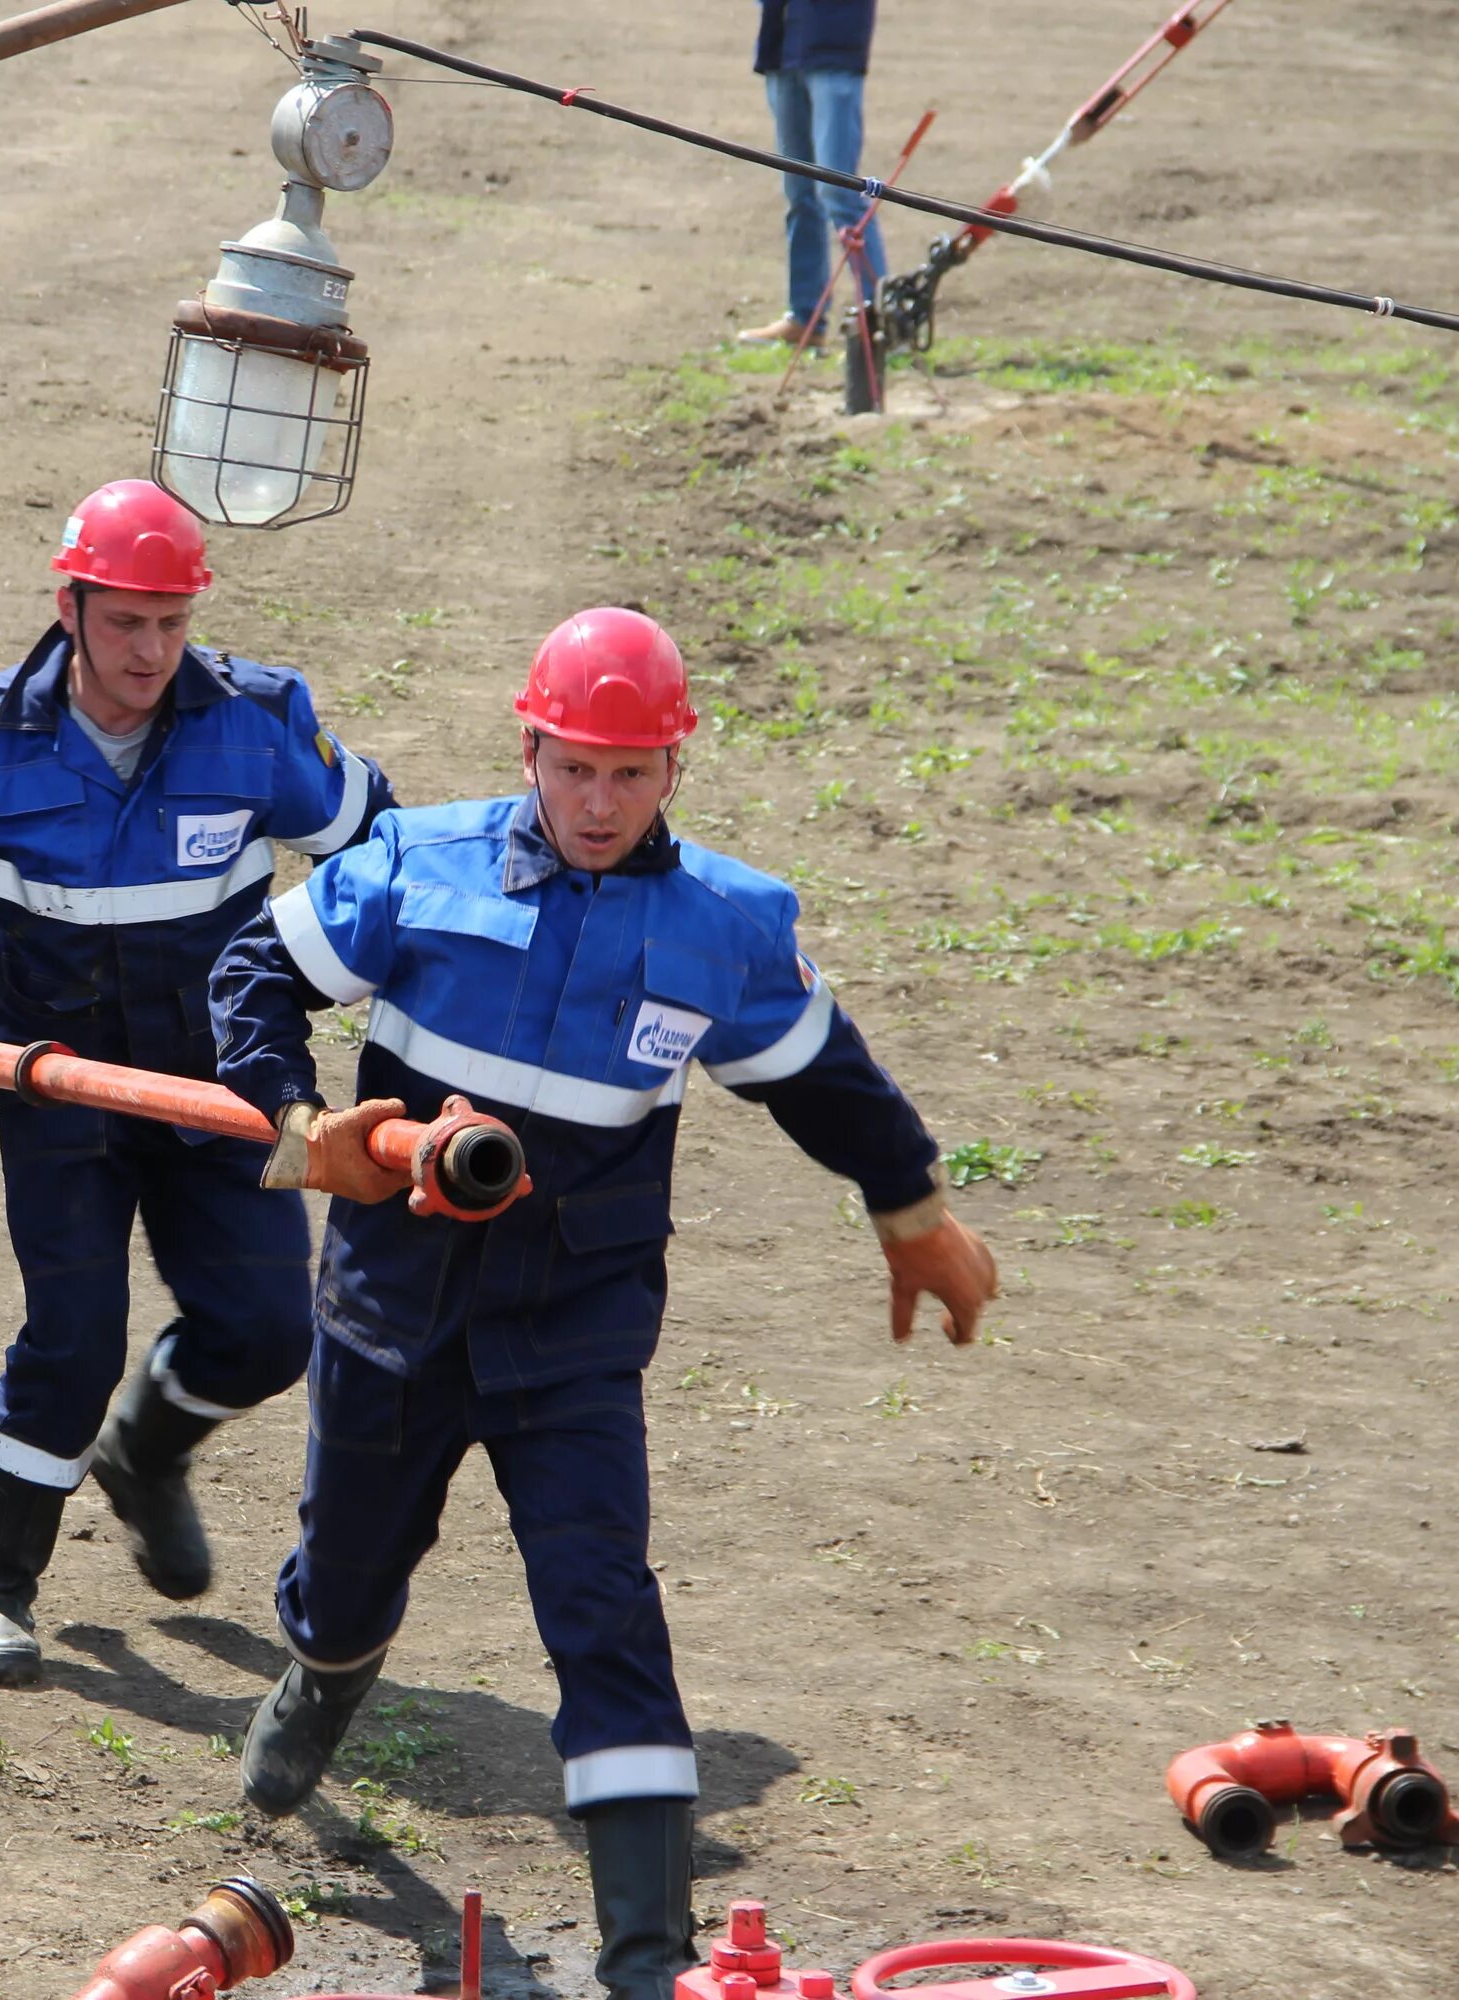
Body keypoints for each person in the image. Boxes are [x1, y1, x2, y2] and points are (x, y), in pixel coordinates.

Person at [207, 607, 998, 1998]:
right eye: (574, 768)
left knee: (604, 1610)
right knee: (344, 1576)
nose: (598, 802)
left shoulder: (723, 931)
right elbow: (255, 973)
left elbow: (826, 1080)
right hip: (393, 1309)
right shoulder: (416, 868)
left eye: (630, 774)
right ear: (530, 747)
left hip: (574, 1331)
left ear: (672, 773)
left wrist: (914, 1214)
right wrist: (296, 1117)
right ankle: (327, 1670)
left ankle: (648, 1956)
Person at [0, 478, 394, 1686]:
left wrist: (374, 997)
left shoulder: (258, 725)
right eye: (127, 621)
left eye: (172, 622)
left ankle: (146, 1446)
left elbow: (378, 853)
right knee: (74, 1336)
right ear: (72, 606)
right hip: (59, 1087)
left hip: (226, 1084)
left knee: (265, 1330)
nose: (150, 651)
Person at [738, 0, 886, 347]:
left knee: (839, 191)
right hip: (782, 46)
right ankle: (805, 318)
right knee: (799, 192)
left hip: (834, 47)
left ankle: (881, 322)